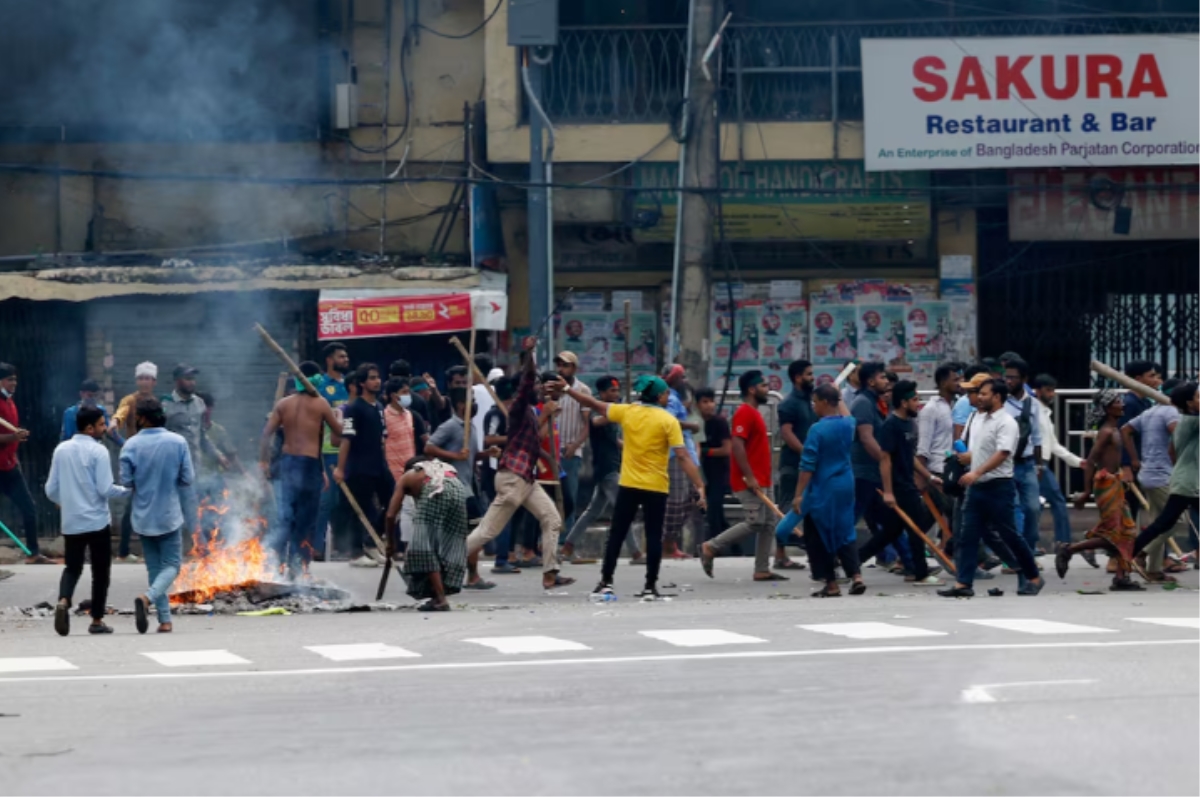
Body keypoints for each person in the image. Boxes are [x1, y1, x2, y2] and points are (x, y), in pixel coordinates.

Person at [548, 373, 707, 598]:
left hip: (629, 484)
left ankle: (606, 582)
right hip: (656, 486)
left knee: (617, 533)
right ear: (659, 396)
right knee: (653, 537)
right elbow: (682, 456)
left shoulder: (628, 411)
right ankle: (650, 586)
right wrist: (699, 484)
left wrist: (567, 390)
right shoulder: (667, 420)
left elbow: (592, 403)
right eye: (665, 394)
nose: (667, 397)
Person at [464, 337, 572, 592]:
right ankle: (437, 562)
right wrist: (529, 353)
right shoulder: (519, 408)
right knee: (487, 532)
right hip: (513, 478)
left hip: (525, 478)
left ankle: (550, 573)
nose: (538, 388)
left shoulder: (531, 414)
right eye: (535, 385)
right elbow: (526, 382)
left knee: (552, 519)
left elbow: (538, 443)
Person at [939, 379, 1044, 598]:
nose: (980, 397)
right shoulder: (977, 418)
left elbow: (1003, 453)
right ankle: (963, 583)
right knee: (967, 535)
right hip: (976, 488)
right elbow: (977, 449)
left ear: (997, 397)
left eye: (985, 394)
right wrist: (968, 461)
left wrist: (977, 470)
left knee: (1009, 535)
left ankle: (1033, 576)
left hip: (999, 487)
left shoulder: (1006, 422)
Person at [46, 406, 129, 636]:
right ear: (89, 427)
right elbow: (105, 489)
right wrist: (127, 490)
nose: (105, 428)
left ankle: (64, 600)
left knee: (72, 567)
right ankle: (97, 620)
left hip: (71, 522)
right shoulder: (98, 451)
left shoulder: (61, 450)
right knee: (101, 572)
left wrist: (66, 501)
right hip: (96, 522)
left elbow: (50, 489)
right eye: (102, 424)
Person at [857, 380, 943, 586]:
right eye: (914, 400)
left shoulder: (910, 424)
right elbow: (885, 459)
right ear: (903, 403)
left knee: (890, 532)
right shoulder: (891, 425)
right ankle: (920, 572)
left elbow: (909, 456)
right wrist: (888, 492)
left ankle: (852, 561)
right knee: (916, 529)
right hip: (897, 487)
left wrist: (929, 476)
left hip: (908, 483)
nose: (918, 404)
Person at [701, 370, 785, 582]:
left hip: (763, 477)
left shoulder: (754, 412)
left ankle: (762, 568)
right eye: (764, 386)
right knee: (755, 521)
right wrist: (749, 476)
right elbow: (737, 445)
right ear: (752, 389)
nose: (767, 389)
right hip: (751, 479)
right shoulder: (745, 412)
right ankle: (711, 546)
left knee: (768, 523)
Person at [120, 398, 194, 634]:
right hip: (169, 514)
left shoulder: (130, 445)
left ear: (141, 418)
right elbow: (187, 479)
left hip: (142, 517)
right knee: (172, 565)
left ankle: (165, 620)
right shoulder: (178, 442)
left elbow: (126, 482)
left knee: (154, 569)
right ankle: (148, 598)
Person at [1056, 390, 1142, 590]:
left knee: (1126, 531)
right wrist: (1086, 491)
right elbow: (1091, 461)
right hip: (1106, 484)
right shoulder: (1106, 432)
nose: (1122, 404)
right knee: (1113, 533)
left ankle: (1122, 576)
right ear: (1108, 408)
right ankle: (1069, 549)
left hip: (1115, 481)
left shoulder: (1116, 430)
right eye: (1117, 402)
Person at [260, 370, 342, 576]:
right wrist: (339, 415)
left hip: (288, 464)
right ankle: (298, 567)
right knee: (306, 520)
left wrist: (264, 461)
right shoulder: (321, 403)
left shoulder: (283, 404)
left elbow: (266, 434)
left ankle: (277, 565)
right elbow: (338, 433)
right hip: (308, 465)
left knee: (287, 517)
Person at [786, 383, 864, 597]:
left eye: (815, 401)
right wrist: (837, 394)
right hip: (846, 485)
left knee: (819, 532)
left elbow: (807, 465)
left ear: (823, 402)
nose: (813, 406)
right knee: (845, 529)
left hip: (825, 487)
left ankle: (831, 582)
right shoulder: (848, 425)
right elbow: (847, 414)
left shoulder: (817, 429)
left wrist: (798, 494)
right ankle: (856, 575)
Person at [561, 377, 644, 564]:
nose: (615, 394)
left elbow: (614, 441)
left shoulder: (613, 414)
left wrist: (633, 447)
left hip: (610, 467)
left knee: (592, 512)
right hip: (607, 470)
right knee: (624, 509)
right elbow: (596, 423)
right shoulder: (599, 415)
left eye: (617, 391)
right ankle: (636, 553)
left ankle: (568, 547)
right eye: (612, 391)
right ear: (603, 394)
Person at [385, 457, 471, 612]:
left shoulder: (406, 478)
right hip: (458, 489)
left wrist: (390, 543)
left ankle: (440, 599)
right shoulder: (437, 469)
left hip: (435, 490)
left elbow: (391, 515)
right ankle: (438, 594)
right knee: (450, 542)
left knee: (424, 547)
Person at [1122, 379, 1187, 580]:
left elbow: (1125, 430)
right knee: (1176, 521)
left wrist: (1134, 459)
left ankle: (1153, 570)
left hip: (1149, 473)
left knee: (1159, 521)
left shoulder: (1151, 411)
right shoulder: (1171, 412)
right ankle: (1142, 551)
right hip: (1163, 474)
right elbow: (1178, 439)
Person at [1130, 382, 1199, 568]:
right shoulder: (1191, 422)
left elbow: (1172, 451)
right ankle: (1132, 553)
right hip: (1188, 483)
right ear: (1189, 403)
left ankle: (1133, 553)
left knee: (1164, 523)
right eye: (1198, 397)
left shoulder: (1187, 420)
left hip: (1188, 481)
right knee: (1163, 523)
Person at [334, 363, 394, 567]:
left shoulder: (378, 407)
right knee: (359, 510)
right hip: (359, 467)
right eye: (372, 378)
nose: (377, 381)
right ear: (362, 383)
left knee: (393, 502)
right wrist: (340, 469)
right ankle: (356, 552)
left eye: (378, 377)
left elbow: (382, 440)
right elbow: (346, 440)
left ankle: (372, 542)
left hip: (379, 465)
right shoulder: (354, 409)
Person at [162, 364, 225, 541]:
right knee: (173, 511)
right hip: (172, 469)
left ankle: (202, 549)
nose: (192, 382)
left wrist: (218, 455)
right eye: (187, 378)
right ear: (177, 381)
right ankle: (179, 548)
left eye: (193, 379)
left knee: (196, 509)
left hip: (194, 468)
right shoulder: (166, 404)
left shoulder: (199, 404)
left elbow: (202, 436)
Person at [1032, 374, 1088, 561]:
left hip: (1041, 463)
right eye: (1048, 390)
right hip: (1037, 463)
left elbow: (1053, 444)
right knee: (1056, 500)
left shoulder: (1045, 413)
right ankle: (1063, 542)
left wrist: (1078, 461)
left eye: (1053, 390)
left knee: (1035, 506)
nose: (1052, 394)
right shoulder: (1034, 411)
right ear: (1037, 391)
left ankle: (1031, 544)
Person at [110, 361, 159, 563]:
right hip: (137, 462)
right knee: (132, 505)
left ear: (154, 381)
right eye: (140, 378)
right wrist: (123, 441)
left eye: (147, 378)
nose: (144, 382)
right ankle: (123, 552)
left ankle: (151, 549)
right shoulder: (129, 401)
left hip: (154, 460)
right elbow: (118, 418)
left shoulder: (156, 403)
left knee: (153, 504)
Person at [0, 363, 47, 563]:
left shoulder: (10, 403)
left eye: (15, 379)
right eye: (10, 379)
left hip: (10, 466)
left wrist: (15, 438)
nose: (14, 383)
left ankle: (34, 553)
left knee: (29, 508)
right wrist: (13, 437)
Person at [774, 359, 816, 570]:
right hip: (793, 465)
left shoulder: (808, 401)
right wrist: (805, 452)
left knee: (811, 509)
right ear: (798, 377)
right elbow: (787, 433)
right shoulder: (789, 403)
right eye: (809, 374)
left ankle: (813, 552)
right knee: (787, 508)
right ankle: (780, 555)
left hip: (808, 465)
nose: (812, 377)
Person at [850, 362, 892, 566]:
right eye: (882, 377)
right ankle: (831, 562)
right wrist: (885, 461)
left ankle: (911, 564)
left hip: (874, 473)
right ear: (871, 381)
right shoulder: (863, 403)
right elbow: (866, 438)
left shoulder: (874, 402)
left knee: (891, 523)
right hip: (863, 474)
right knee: (849, 522)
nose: (886, 381)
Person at [425, 387, 493, 512]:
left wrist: (488, 453)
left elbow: (472, 455)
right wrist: (455, 456)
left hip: (469, 485)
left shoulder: (471, 427)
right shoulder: (450, 426)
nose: (474, 404)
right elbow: (429, 447)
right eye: (471, 401)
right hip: (454, 485)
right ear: (461, 404)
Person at [479, 376, 521, 574]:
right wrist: (513, 437)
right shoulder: (496, 414)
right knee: (501, 515)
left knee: (505, 515)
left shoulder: (513, 413)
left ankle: (504, 553)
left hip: (511, 469)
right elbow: (489, 439)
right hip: (496, 470)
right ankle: (501, 557)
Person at [1003, 359, 1044, 557]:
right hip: (1006, 463)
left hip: (1027, 463)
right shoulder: (1000, 401)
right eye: (1006, 377)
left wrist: (1039, 466)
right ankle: (1017, 555)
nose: (1008, 381)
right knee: (1015, 509)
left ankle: (1028, 548)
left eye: (1013, 377)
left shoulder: (1033, 403)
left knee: (1033, 508)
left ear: (1024, 379)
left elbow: (1037, 437)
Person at [315, 343, 351, 560]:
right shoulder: (321, 386)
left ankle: (344, 547)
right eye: (341, 356)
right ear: (329, 360)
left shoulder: (350, 385)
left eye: (346, 356)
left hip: (350, 450)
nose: (346, 359)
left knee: (346, 501)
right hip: (328, 451)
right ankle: (317, 546)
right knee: (327, 501)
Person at [662, 364, 702, 559]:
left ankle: (671, 541)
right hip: (675, 456)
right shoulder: (669, 397)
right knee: (676, 502)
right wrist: (690, 425)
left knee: (693, 499)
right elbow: (666, 421)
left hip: (687, 455)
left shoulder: (677, 399)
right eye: (682, 377)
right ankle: (667, 543)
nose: (685, 380)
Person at [554, 351, 591, 532]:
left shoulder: (582, 390)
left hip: (570, 450)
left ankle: (565, 539)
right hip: (550, 450)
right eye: (559, 365)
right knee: (548, 498)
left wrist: (575, 445)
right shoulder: (551, 387)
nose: (561, 369)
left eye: (565, 365)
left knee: (569, 497)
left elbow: (587, 425)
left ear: (574, 368)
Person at [697, 387, 731, 544]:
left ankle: (716, 546)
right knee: (717, 514)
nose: (709, 405)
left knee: (714, 510)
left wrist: (704, 451)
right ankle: (735, 547)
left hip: (719, 472)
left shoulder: (719, 423)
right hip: (702, 473)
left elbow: (726, 449)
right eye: (705, 402)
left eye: (711, 401)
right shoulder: (695, 423)